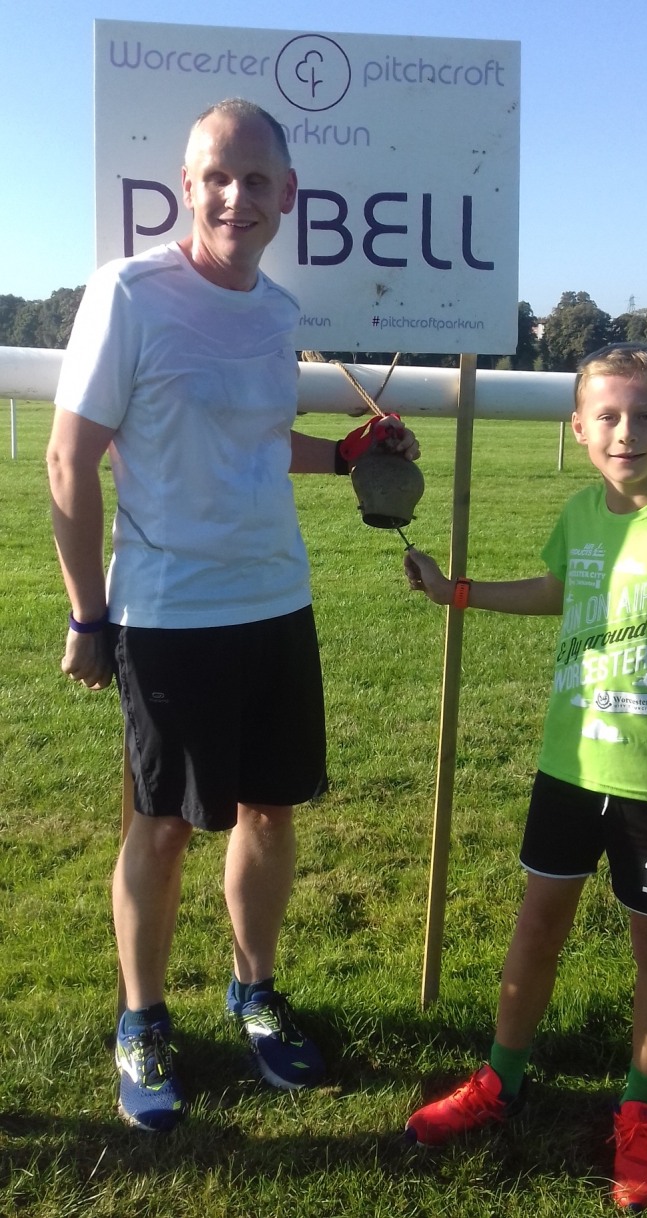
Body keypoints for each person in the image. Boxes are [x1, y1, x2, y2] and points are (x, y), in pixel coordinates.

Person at [46, 97, 419, 1134]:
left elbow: (261, 442)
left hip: (276, 601)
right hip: (167, 615)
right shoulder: (128, 293)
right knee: (161, 829)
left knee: (270, 813)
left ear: (286, 195)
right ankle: (142, 1020)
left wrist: (345, 454)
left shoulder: (278, 313)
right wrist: (88, 616)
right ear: (185, 185)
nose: (234, 196)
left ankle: (254, 994)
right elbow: (69, 458)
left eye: (256, 179)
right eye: (216, 176)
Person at [403, 343, 647, 1211]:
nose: (626, 432)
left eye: (645, 417)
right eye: (607, 416)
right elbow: (559, 592)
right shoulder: (578, 513)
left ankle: (640, 1110)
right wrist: (458, 592)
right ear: (578, 427)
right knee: (536, 929)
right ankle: (502, 1078)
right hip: (566, 771)